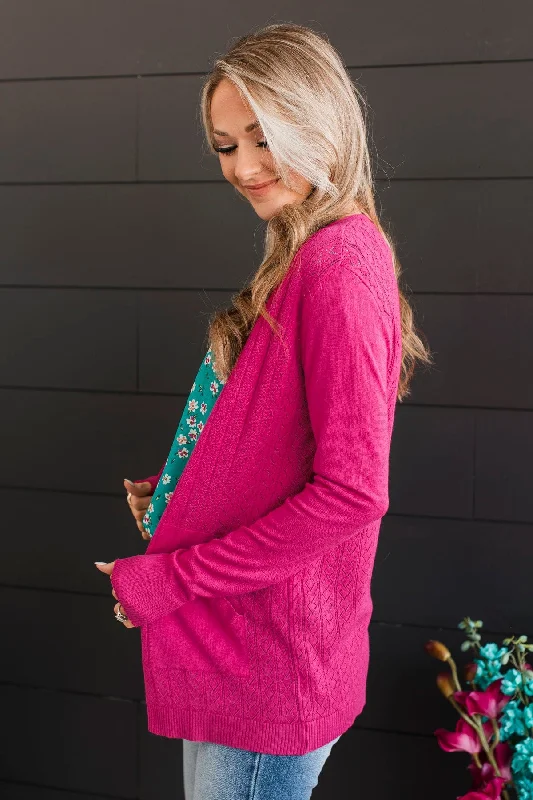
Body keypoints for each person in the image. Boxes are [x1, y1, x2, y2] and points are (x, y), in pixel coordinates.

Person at [95, 22, 432, 800]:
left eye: (264, 137)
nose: (244, 167)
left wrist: (172, 577)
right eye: (224, 145)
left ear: (319, 123)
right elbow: (278, 434)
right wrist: (188, 483)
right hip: (249, 645)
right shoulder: (303, 246)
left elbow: (352, 492)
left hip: (268, 659)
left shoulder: (339, 265)